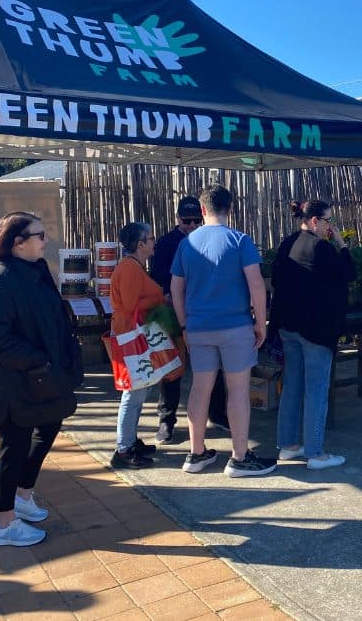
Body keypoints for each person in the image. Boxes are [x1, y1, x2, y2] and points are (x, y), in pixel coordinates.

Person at [0, 212, 83, 547]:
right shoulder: (0, 276)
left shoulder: (35, 269)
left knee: (49, 425)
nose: (46, 240)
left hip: (41, 377)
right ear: (18, 243)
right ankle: (4, 524)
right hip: (13, 381)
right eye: (40, 235)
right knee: (13, 447)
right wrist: (38, 358)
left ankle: (22, 495)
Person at [171, 184, 275, 477]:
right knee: (238, 391)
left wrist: (183, 325)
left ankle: (196, 453)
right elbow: (256, 284)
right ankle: (239, 458)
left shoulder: (186, 243)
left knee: (200, 389)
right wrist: (260, 322)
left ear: (202, 210)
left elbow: (175, 287)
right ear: (230, 208)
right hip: (235, 327)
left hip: (198, 327)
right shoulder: (240, 240)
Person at [271, 200, 356, 469]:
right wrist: (342, 244)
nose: (332, 225)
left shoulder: (288, 242)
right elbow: (349, 272)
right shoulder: (322, 248)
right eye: (329, 220)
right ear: (316, 221)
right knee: (316, 389)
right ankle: (316, 452)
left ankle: (287, 445)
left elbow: (276, 280)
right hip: (315, 329)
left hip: (289, 325)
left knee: (293, 385)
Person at [151, 195, 227, 444]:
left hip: (202, 313)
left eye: (197, 220)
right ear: (177, 219)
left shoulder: (209, 239)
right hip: (173, 312)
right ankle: (167, 420)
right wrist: (169, 295)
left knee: (211, 365)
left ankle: (216, 412)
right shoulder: (166, 243)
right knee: (172, 368)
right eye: (187, 221)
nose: (192, 225)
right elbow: (157, 276)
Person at [108, 222, 166, 469]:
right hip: (131, 335)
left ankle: (129, 440)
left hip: (133, 333)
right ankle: (123, 447)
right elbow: (132, 306)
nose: (154, 242)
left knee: (139, 390)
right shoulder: (130, 269)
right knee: (133, 393)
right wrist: (159, 298)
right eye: (151, 239)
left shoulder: (133, 266)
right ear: (140, 244)